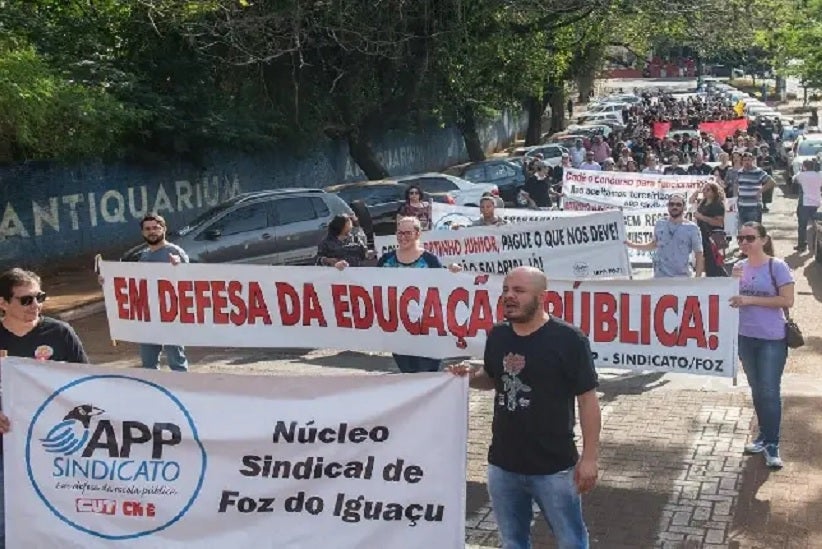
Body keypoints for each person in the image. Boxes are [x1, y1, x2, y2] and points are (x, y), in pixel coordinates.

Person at [448, 267, 600, 549]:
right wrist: (468, 376)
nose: (509, 296)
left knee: (571, 541)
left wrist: (589, 457)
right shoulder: (498, 335)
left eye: (518, 291)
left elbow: (588, 399)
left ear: (542, 297)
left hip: (554, 467)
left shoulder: (569, 340)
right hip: (503, 465)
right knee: (513, 542)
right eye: (506, 290)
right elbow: (493, 379)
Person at [0, 267, 90, 549]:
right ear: (2, 303)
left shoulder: (60, 333)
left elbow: (88, 383)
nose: (35, 306)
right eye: (25, 300)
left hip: (53, 444)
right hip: (6, 443)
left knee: (58, 512)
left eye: (40, 297)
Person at [730, 222, 794, 469]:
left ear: (764, 240)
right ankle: (763, 436)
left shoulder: (777, 266)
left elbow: (787, 300)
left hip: (772, 338)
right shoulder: (738, 267)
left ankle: (773, 442)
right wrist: (731, 286)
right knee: (757, 389)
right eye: (741, 238)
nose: (744, 242)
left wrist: (749, 299)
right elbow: (730, 299)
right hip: (745, 336)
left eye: (750, 238)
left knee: (769, 390)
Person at [375, 216, 461, 372]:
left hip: (428, 330)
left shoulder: (430, 260)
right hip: (399, 330)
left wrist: (453, 273)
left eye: (407, 233)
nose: (403, 237)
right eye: (400, 233)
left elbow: (445, 287)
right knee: (408, 373)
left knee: (427, 372)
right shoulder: (386, 260)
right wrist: (343, 270)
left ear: (418, 234)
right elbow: (369, 285)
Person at [136, 214, 190, 372]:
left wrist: (179, 267)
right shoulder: (144, 255)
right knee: (148, 364)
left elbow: (190, 281)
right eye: (147, 229)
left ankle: (182, 392)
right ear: (143, 233)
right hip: (149, 317)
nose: (152, 232)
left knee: (176, 362)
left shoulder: (175, 252)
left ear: (164, 229)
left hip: (171, 316)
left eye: (155, 228)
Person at [625, 194, 704, 277]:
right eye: (671, 204)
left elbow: (698, 253)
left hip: (682, 277)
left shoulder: (692, 228)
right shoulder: (660, 224)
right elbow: (654, 244)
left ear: (684, 207)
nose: (675, 207)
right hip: (660, 277)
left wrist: (697, 279)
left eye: (678, 204)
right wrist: (631, 245)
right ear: (668, 206)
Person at [690, 182, 728, 277]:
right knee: (707, 261)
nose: (705, 192)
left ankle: (723, 281)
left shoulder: (718, 205)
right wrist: (696, 192)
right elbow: (690, 201)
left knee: (716, 262)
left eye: (708, 190)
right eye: (704, 189)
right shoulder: (703, 202)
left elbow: (719, 222)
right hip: (704, 234)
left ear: (714, 192)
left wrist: (701, 217)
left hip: (715, 236)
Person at [734, 152, 776, 224]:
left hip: (754, 206)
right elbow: (736, 184)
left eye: (748, 160)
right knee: (743, 230)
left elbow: (772, 182)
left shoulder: (758, 172)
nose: (747, 162)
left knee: (754, 229)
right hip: (741, 206)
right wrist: (735, 198)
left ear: (752, 160)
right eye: (745, 160)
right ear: (742, 161)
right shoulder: (739, 172)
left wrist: (760, 191)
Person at [792, 159, 822, 252]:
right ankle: (813, 244)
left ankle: (802, 245)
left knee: (802, 225)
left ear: (804, 166)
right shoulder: (820, 174)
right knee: (814, 223)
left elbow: (794, 179)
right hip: (816, 202)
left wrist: (801, 171)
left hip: (805, 202)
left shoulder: (801, 175)